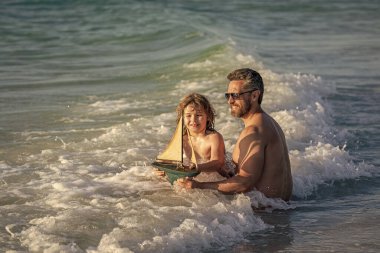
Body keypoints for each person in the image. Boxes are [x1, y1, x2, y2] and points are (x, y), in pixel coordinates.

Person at [177, 68, 293, 201]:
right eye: (228, 95)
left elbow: (244, 183)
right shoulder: (268, 122)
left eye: (235, 96)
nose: (230, 101)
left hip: (263, 216)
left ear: (254, 96)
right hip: (279, 210)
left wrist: (199, 185)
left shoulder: (254, 131)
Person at [155, 93, 229, 178]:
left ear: (208, 116)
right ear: (182, 117)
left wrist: (197, 167)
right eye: (188, 115)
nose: (193, 120)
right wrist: (161, 169)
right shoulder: (182, 139)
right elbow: (168, 158)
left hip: (219, 173)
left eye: (198, 115)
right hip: (196, 173)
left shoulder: (213, 137)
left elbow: (218, 162)